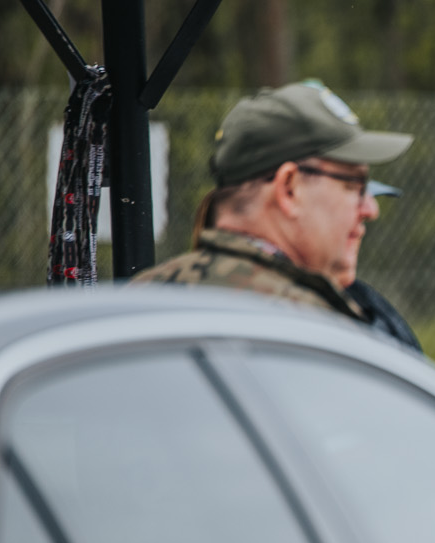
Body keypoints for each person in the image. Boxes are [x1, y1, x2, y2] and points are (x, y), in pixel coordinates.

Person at [133, 80, 415, 347]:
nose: (370, 209)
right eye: (353, 184)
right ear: (289, 189)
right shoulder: (311, 331)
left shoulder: (140, 300)